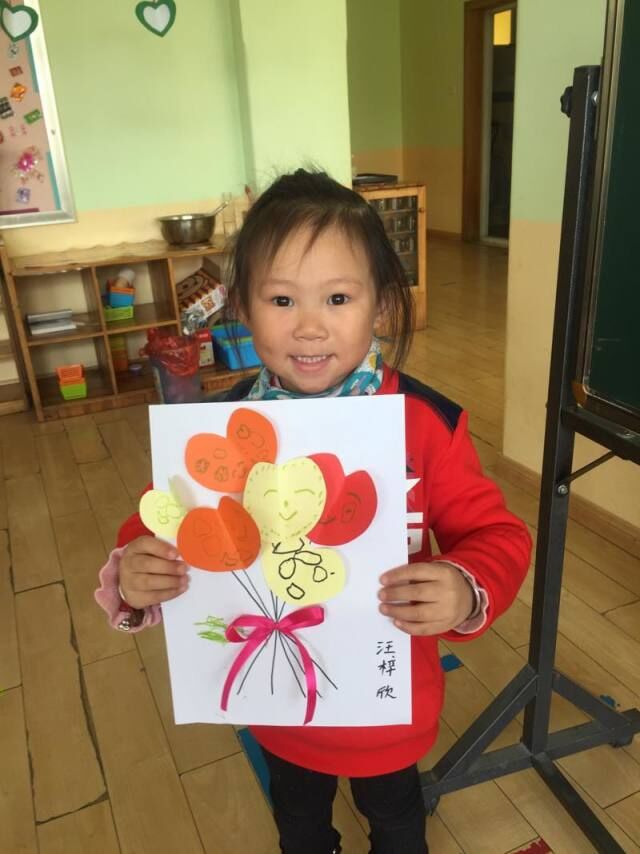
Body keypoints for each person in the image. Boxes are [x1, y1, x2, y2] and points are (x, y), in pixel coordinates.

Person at [96, 169, 531, 854]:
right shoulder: (215, 432)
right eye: (280, 299)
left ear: (381, 303)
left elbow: (496, 534)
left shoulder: (425, 423)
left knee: (397, 823)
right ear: (242, 307)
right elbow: (161, 524)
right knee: (299, 824)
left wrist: (464, 585)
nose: (308, 326)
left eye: (337, 297)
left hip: (389, 704)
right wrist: (136, 572)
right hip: (277, 703)